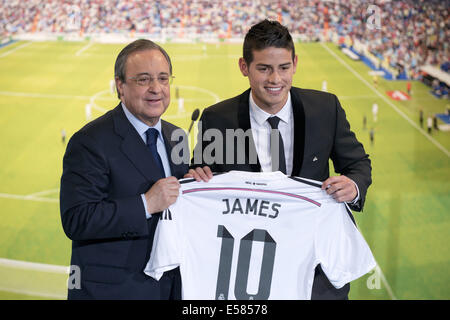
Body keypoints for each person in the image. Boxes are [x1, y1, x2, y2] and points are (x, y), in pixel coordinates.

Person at [188, 20, 372, 300]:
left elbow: (358, 164)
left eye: (284, 68)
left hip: (315, 268)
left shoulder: (325, 109)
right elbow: (201, 175)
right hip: (249, 267)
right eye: (264, 68)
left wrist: (353, 186)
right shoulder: (218, 119)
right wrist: (196, 177)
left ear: (295, 64)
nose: (275, 79)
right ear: (243, 67)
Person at [60, 39, 189, 300]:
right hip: (113, 291)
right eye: (143, 80)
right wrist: (145, 203)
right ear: (120, 86)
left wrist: (194, 184)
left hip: (170, 288)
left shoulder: (177, 137)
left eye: (163, 79)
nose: (156, 89)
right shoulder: (90, 141)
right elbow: (77, 219)